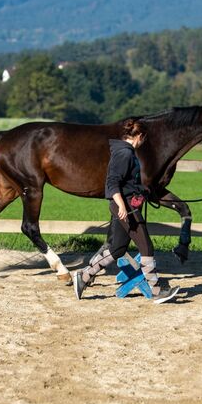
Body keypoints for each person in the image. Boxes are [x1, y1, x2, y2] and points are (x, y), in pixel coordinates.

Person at [71, 119, 180, 304]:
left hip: (128, 204)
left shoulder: (125, 151)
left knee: (117, 249)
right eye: (143, 139)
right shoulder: (125, 154)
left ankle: (83, 277)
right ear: (139, 136)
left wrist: (143, 191)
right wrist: (122, 205)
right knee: (146, 246)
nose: (143, 142)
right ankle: (156, 291)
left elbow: (127, 182)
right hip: (126, 208)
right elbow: (112, 182)